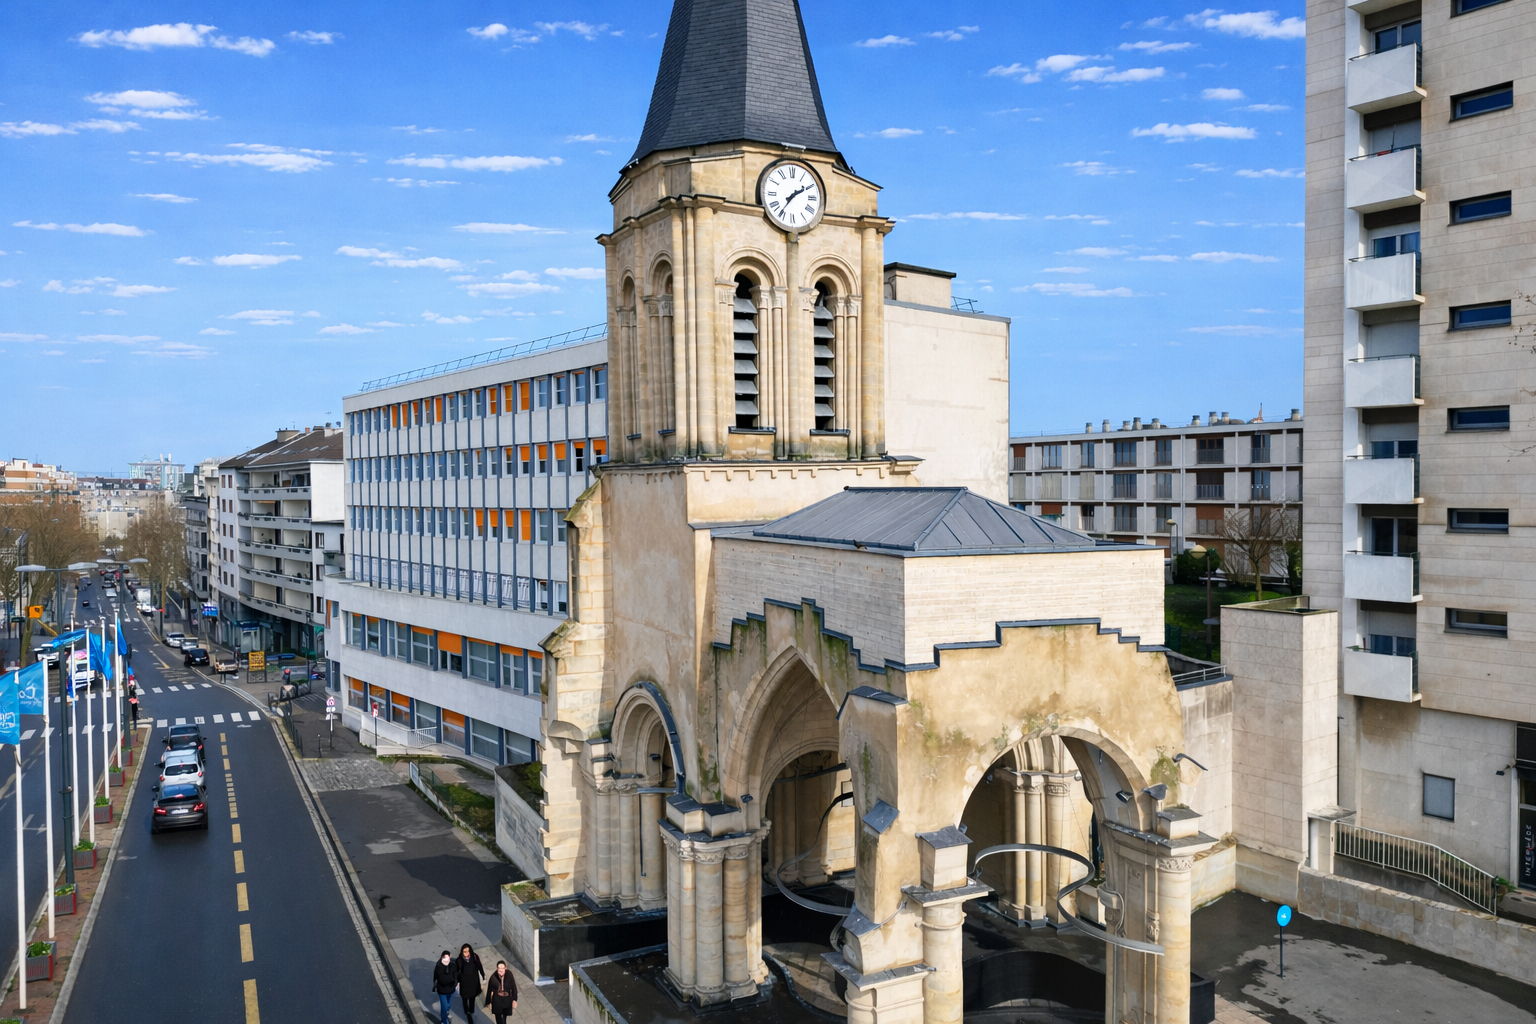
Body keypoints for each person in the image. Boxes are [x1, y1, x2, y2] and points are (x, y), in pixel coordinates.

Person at [455, 943, 484, 1021]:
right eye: (464, 951)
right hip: (464, 982)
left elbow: (479, 966)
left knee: (472, 997)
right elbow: (456, 972)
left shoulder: (475, 957)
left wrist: (483, 974)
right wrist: (457, 982)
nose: (466, 953)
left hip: (473, 981)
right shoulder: (459, 960)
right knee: (464, 998)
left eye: (468, 951)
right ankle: (466, 1011)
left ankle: (472, 1011)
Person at [433, 950, 458, 1024]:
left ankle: (447, 1012)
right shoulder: (439, 965)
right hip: (442, 990)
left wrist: (455, 984)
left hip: (450, 989)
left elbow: (455, 975)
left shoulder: (452, 965)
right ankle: (444, 1020)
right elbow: (436, 976)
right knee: (444, 1006)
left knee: (448, 1005)